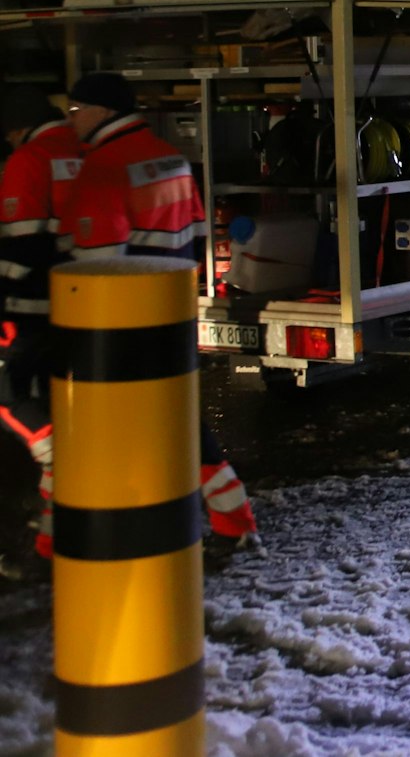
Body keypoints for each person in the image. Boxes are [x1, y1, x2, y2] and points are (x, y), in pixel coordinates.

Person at [59, 73, 258, 550]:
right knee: (176, 419)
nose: (72, 122)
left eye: (75, 111)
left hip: (120, 327)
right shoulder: (168, 158)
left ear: (103, 111)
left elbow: (96, 270)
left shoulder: (105, 167)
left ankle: (111, 535)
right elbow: (196, 235)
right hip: (171, 312)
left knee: (114, 430)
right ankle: (233, 519)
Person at [0, 86, 82, 560]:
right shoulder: (84, 149)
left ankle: (58, 466)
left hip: (32, 307)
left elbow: (22, 245)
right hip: (82, 303)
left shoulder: (29, 160)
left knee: (12, 394)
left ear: (17, 130)